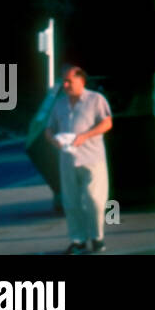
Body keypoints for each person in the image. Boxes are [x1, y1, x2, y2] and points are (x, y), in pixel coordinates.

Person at [45, 65, 112, 254]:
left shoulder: (95, 100)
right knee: (71, 201)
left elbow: (107, 123)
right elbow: (49, 129)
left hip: (92, 158)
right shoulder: (59, 104)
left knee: (94, 200)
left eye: (69, 81)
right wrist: (53, 140)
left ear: (81, 81)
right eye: (63, 81)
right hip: (67, 160)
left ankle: (97, 237)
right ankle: (79, 240)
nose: (65, 85)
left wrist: (85, 136)